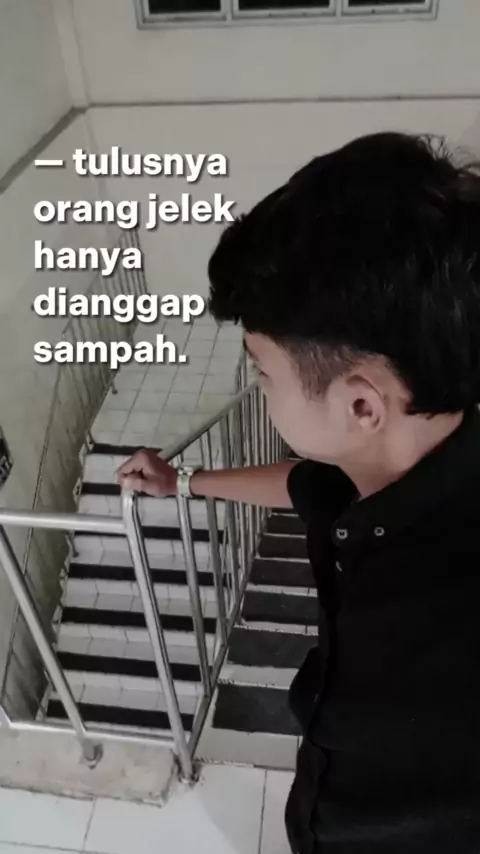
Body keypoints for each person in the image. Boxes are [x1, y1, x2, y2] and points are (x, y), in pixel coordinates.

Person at [117, 132, 480, 853]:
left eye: (261, 371)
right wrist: (182, 481)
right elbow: (306, 485)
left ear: (361, 404)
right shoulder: (383, 466)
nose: (257, 389)